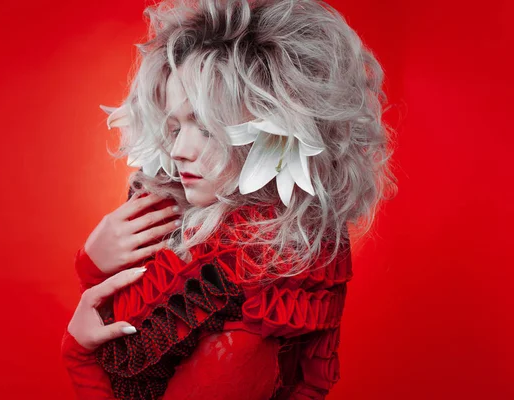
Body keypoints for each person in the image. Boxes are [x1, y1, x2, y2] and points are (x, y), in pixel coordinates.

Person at [61, 0, 397, 399]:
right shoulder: (181, 222)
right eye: (175, 126)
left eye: (204, 126)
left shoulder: (246, 310)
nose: (179, 150)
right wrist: (94, 270)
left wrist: (80, 355)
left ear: (271, 130)